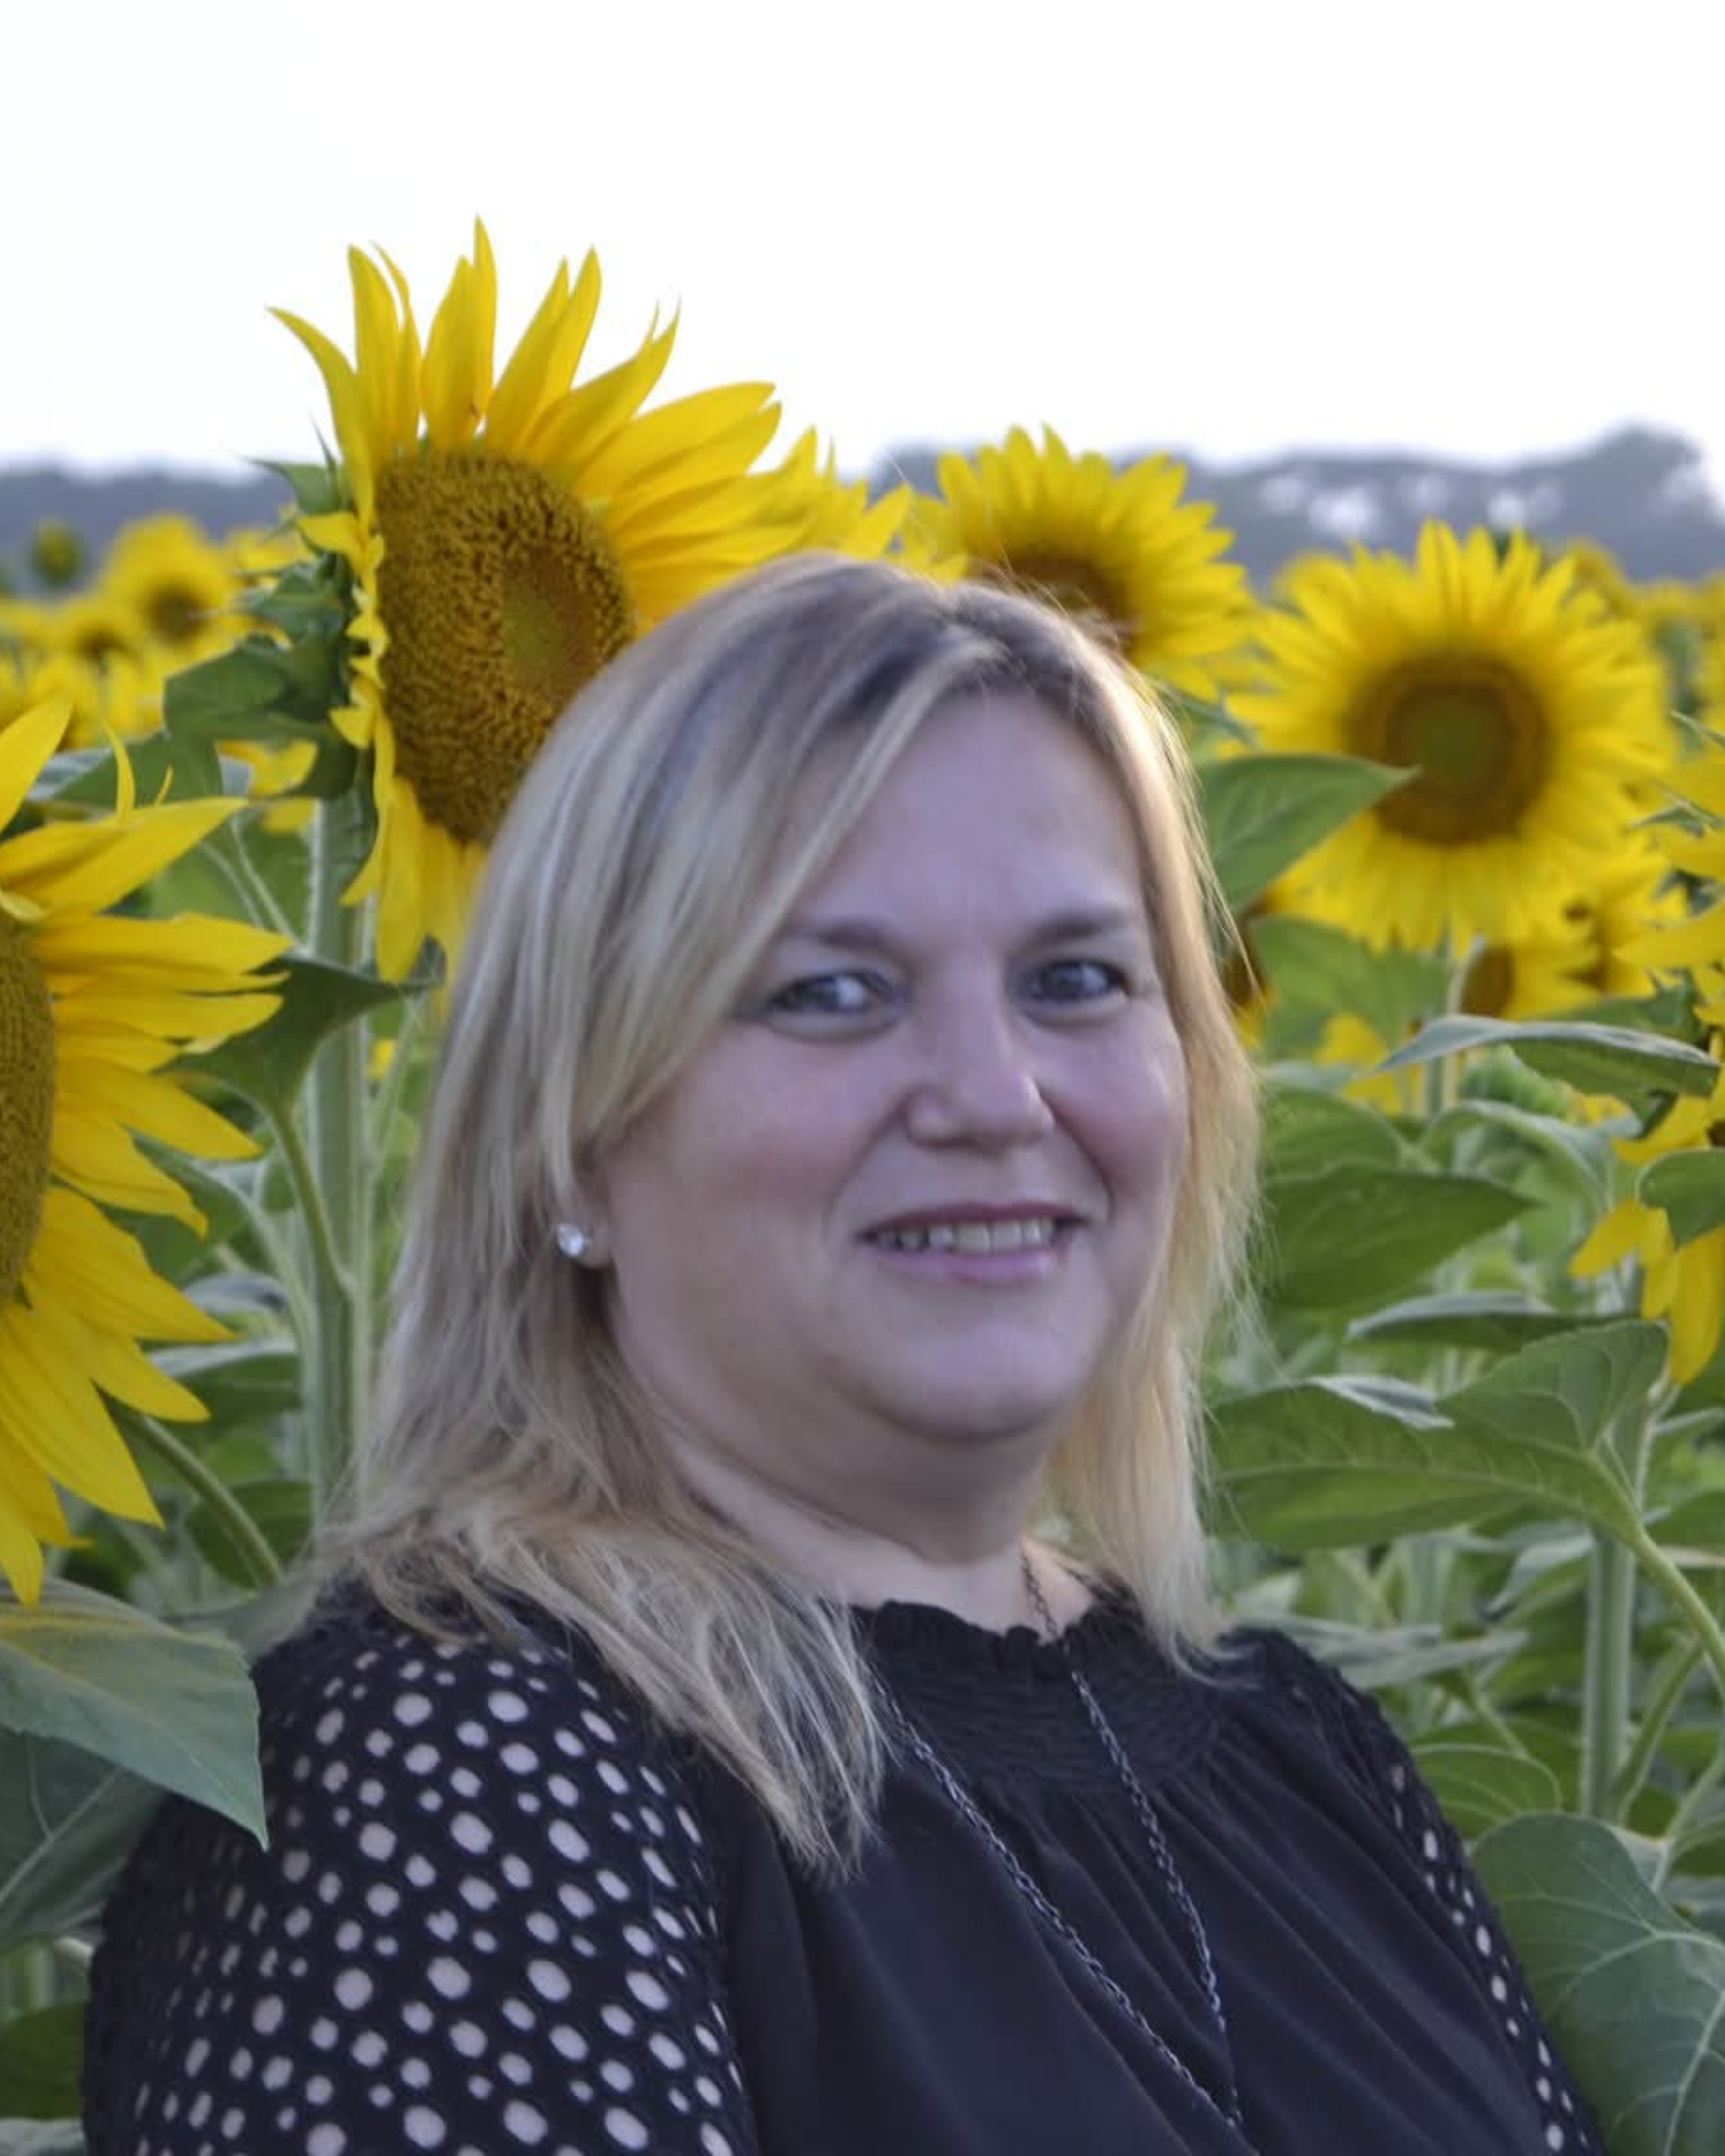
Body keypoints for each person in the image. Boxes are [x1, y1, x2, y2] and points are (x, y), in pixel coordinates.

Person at [83, 553, 1599, 2155]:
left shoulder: (1300, 1746)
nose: (992, 1093)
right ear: (572, 1142)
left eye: (1075, 979)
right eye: (830, 992)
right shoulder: (448, 1780)